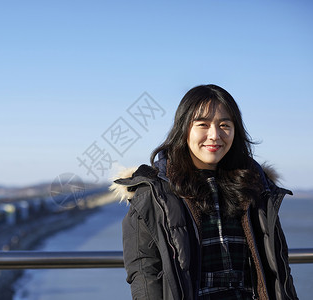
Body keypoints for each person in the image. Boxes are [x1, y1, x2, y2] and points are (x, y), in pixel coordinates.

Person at [111, 84, 298, 300]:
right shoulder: (154, 192)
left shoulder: (255, 185)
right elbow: (144, 274)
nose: (214, 135)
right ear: (184, 128)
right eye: (203, 124)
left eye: (224, 125)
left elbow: (279, 269)